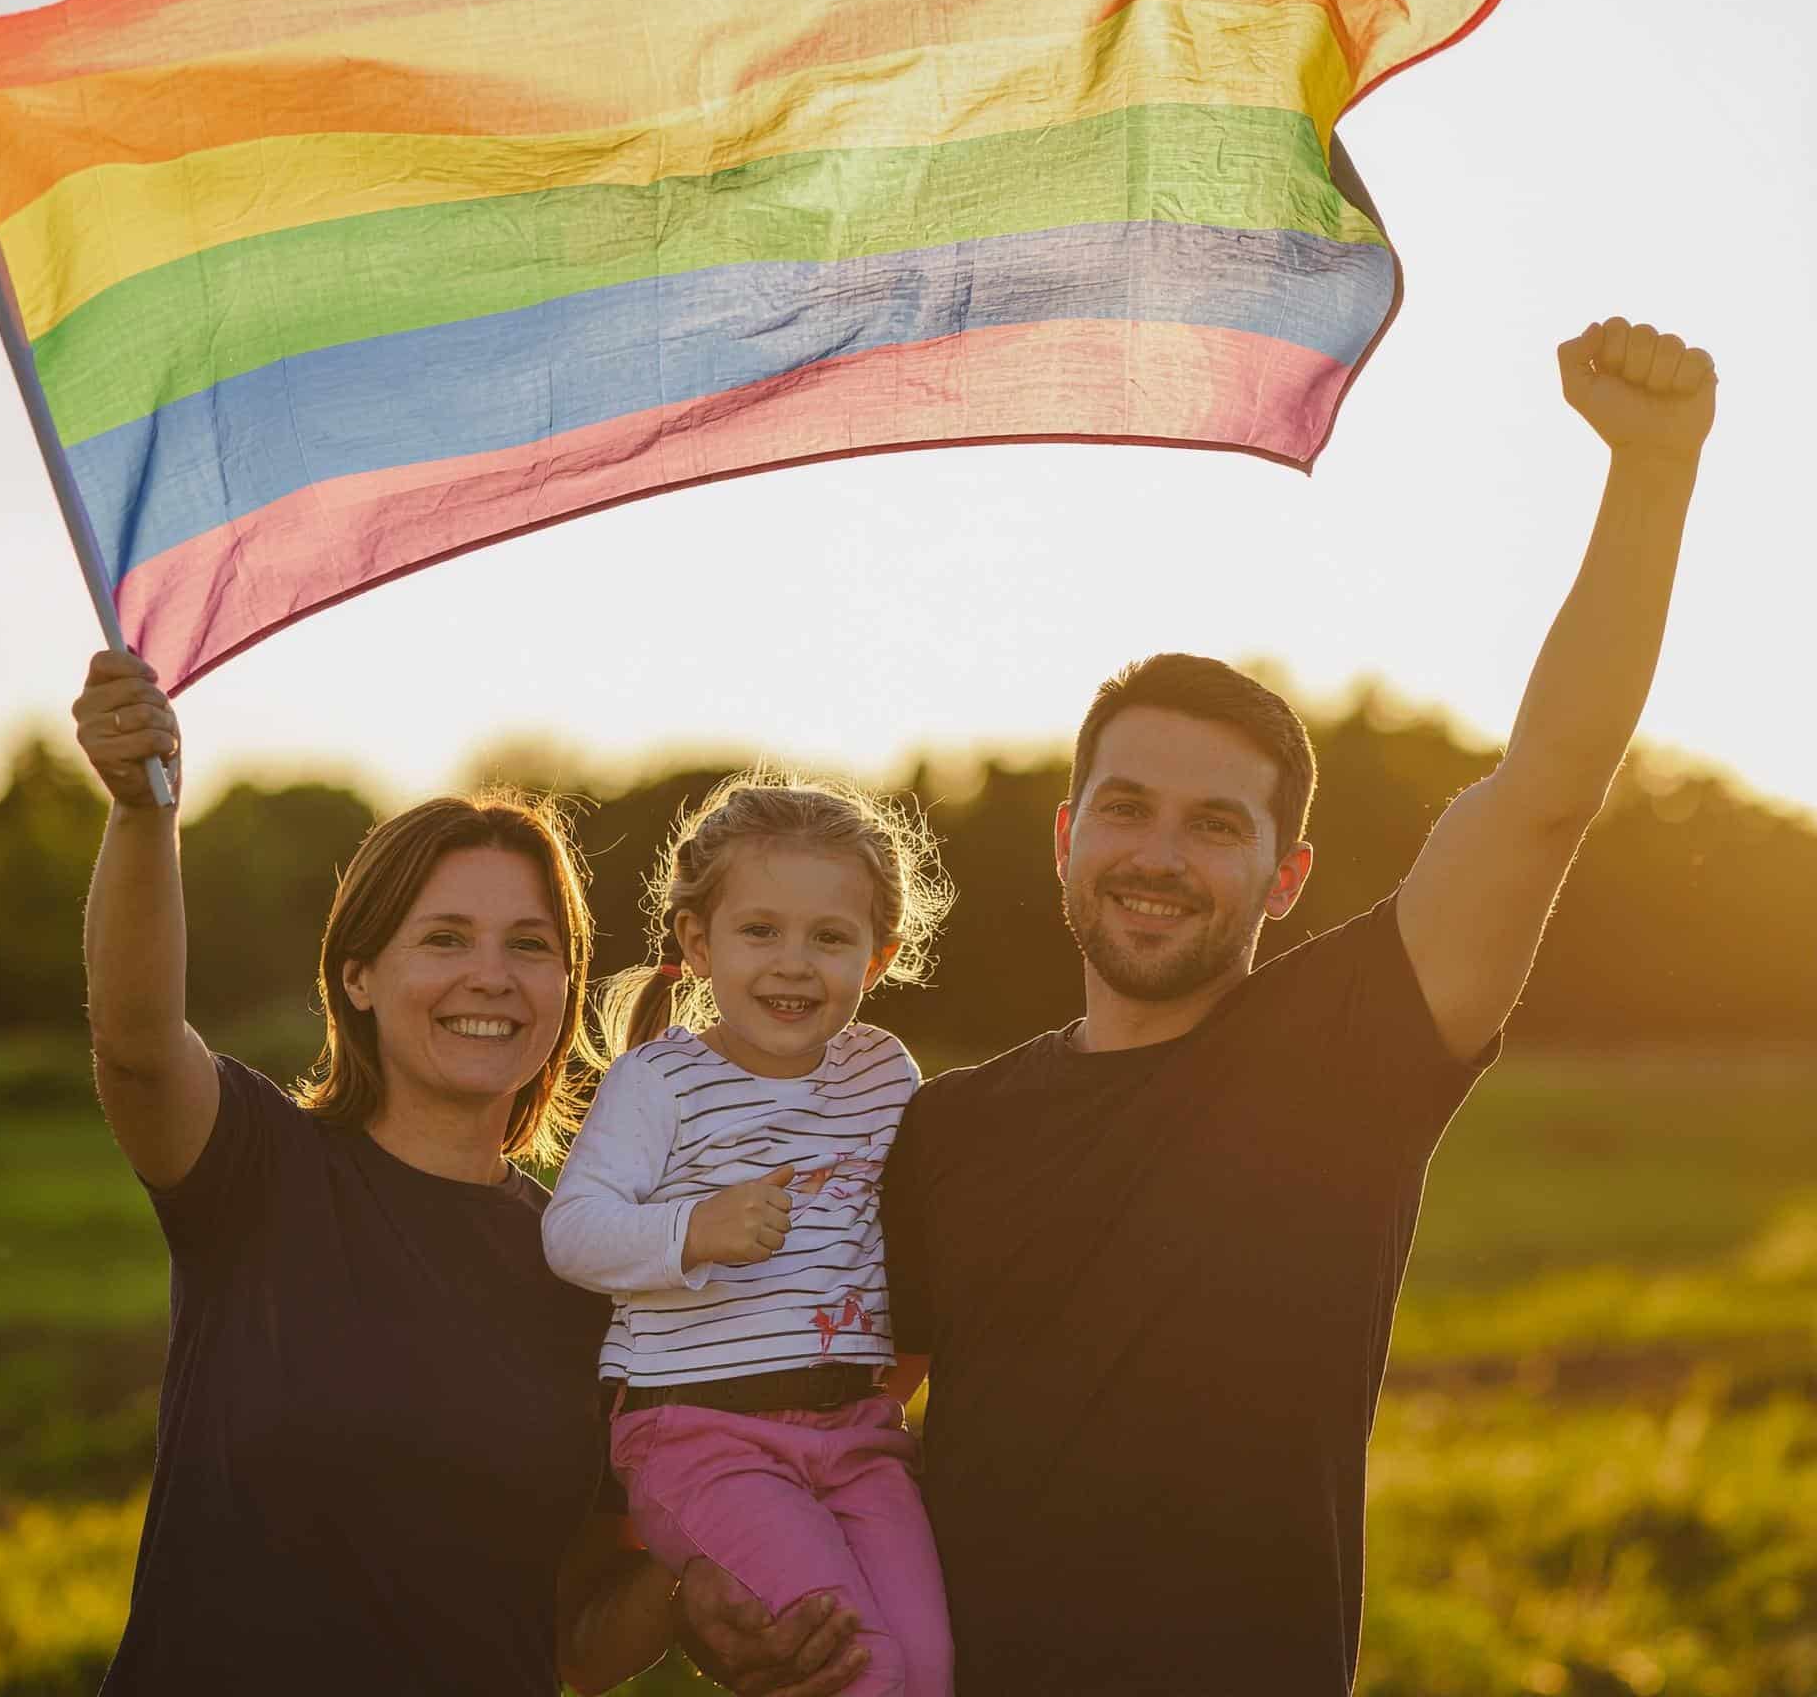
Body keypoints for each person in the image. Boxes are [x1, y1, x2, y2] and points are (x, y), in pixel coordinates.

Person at [685, 313, 1717, 1696]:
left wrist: (1652, 474)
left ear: (1285, 878)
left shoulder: (1351, 1054)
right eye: (1127, 809)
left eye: (1215, 826)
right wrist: (728, 1587)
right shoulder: (945, 1131)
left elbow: (1543, 792)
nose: (1160, 855)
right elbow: (845, 1425)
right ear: (1065, 841)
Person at [72, 668, 871, 1696]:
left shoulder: (602, 1273)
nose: (488, 974)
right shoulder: (259, 1169)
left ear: (563, 988)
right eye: (443, 937)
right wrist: (144, 811)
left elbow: (575, 1640)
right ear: (357, 974)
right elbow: (134, 1041)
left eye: (528, 945)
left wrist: (690, 1585)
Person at [544, 776, 957, 1697]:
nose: (794, 964)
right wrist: (695, 1231)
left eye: (831, 938)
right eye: (760, 930)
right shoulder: (660, 1082)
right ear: (699, 943)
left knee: (929, 1669)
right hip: (701, 1433)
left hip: (858, 1431)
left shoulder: (883, 1072)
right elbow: (572, 1233)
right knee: (861, 1667)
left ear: (878, 957)